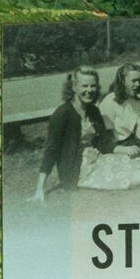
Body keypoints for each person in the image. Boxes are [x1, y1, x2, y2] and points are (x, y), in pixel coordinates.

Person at [81, 64, 140, 189]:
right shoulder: (109, 102)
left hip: (129, 142)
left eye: (139, 80)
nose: (138, 84)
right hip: (111, 148)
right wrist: (125, 150)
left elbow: (138, 125)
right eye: (134, 81)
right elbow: (104, 143)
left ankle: (132, 165)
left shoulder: (135, 100)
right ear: (122, 81)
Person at [34, 70, 93, 199]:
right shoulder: (62, 114)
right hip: (75, 172)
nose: (90, 90)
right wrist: (39, 189)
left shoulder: (93, 110)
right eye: (85, 86)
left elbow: (104, 142)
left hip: (96, 161)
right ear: (73, 87)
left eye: (93, 86)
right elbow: (51, 150)